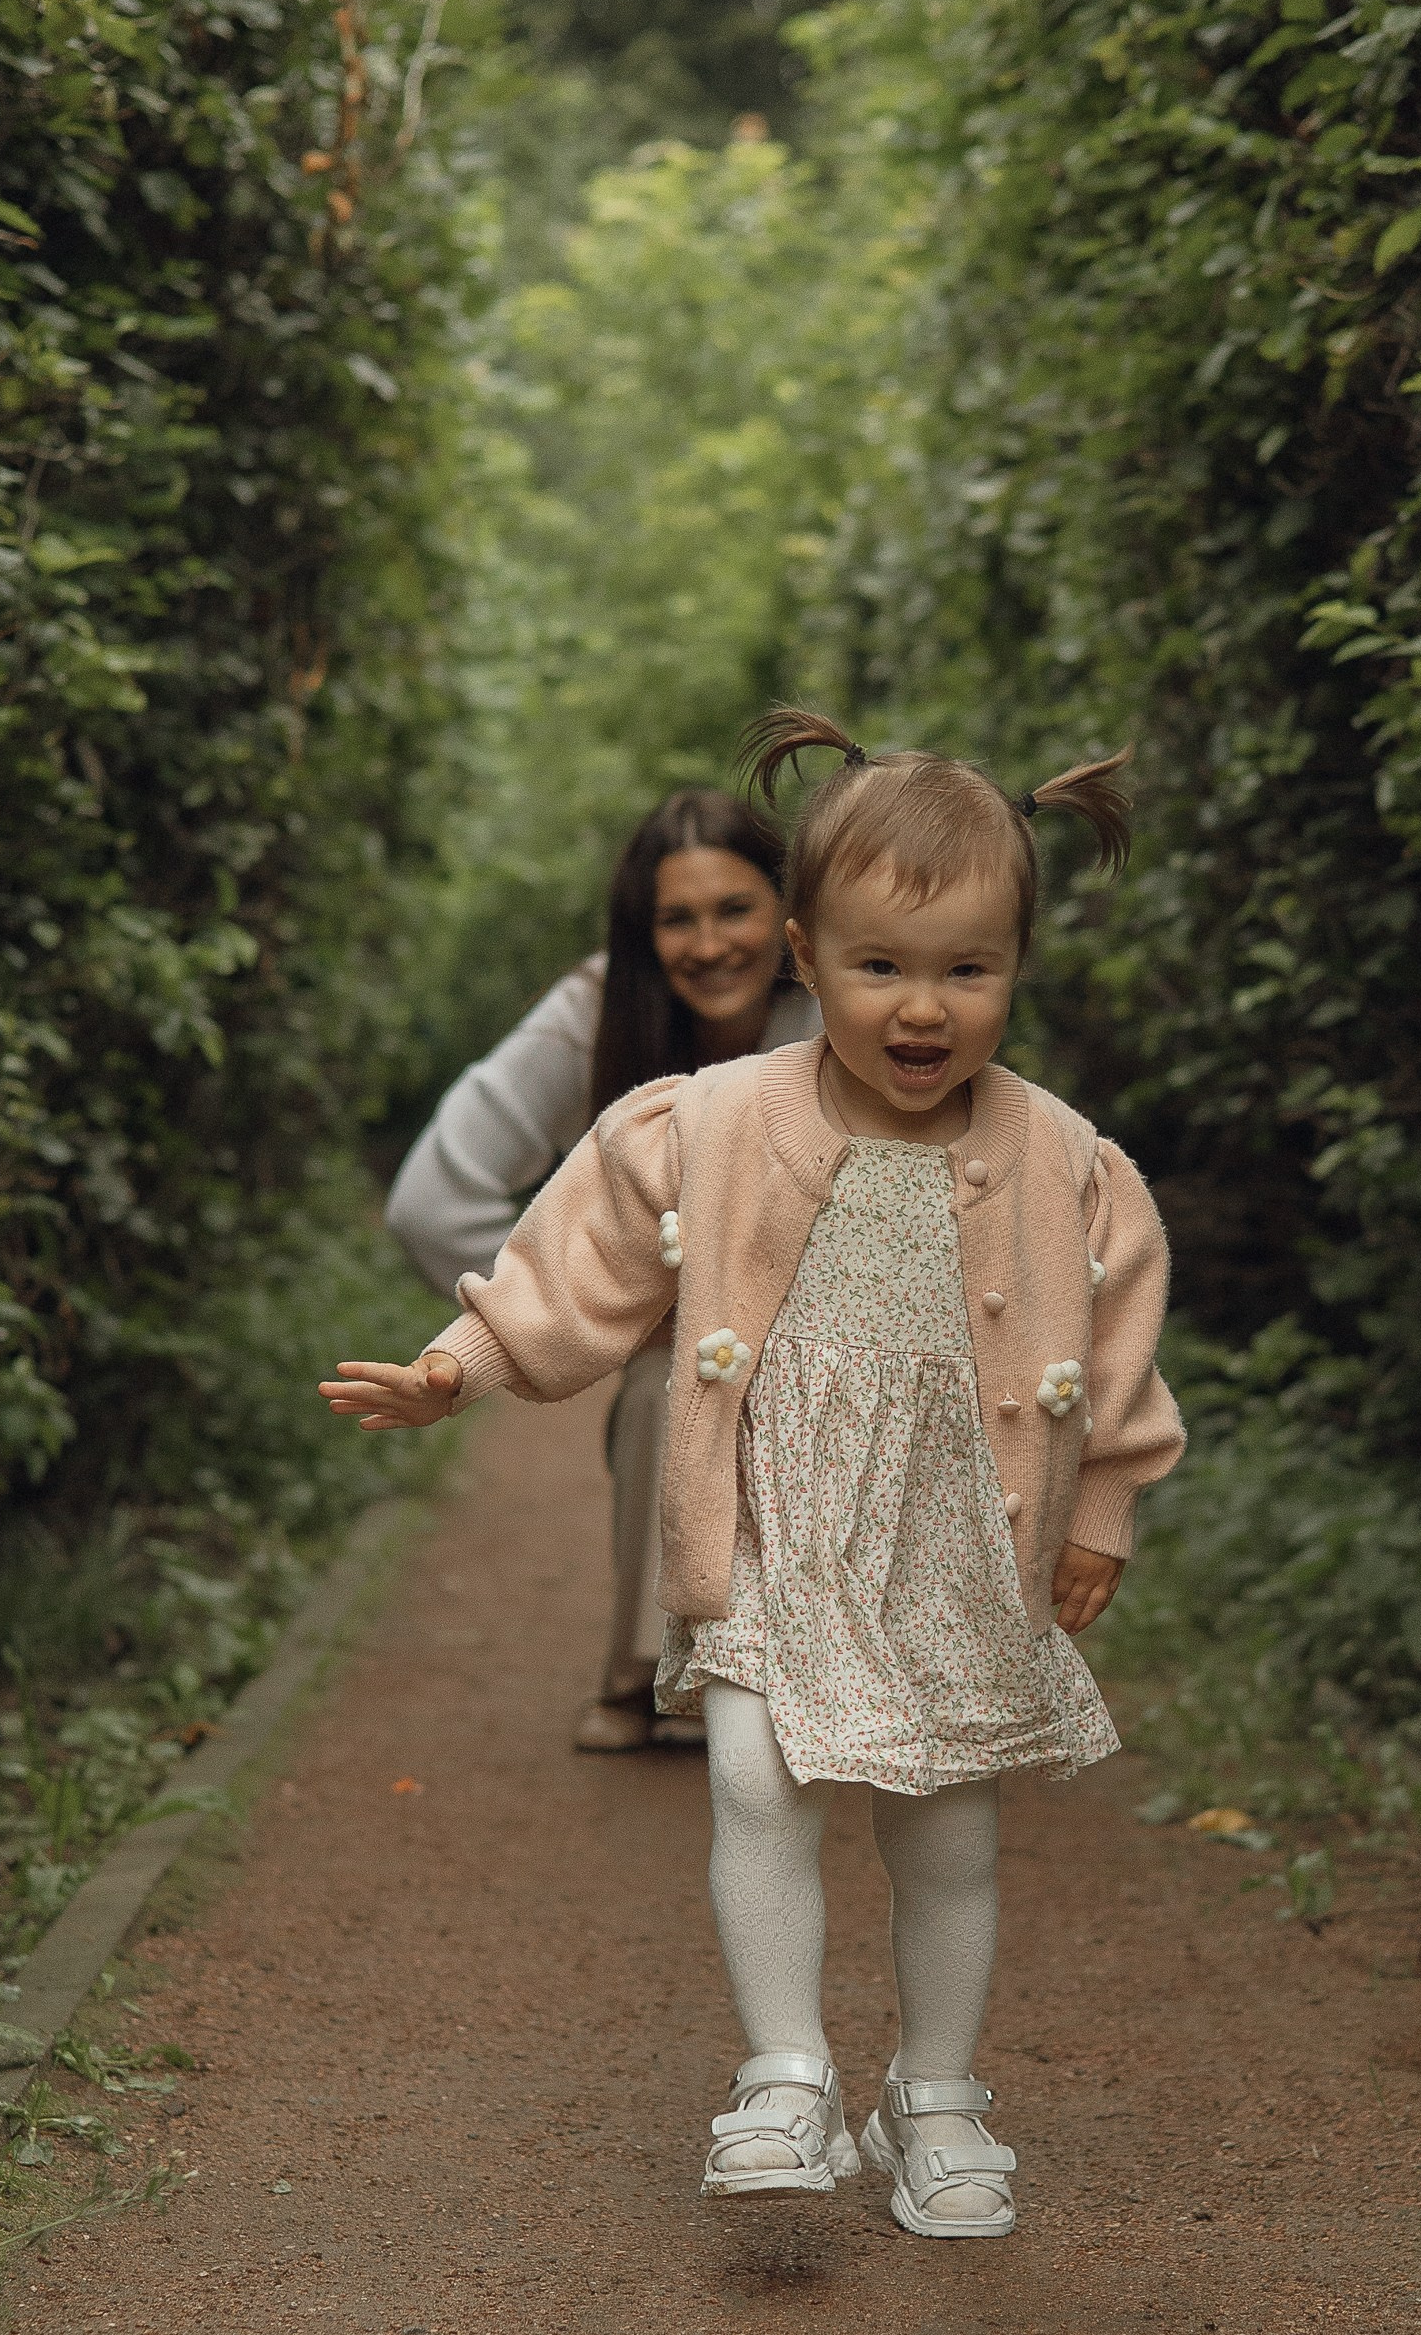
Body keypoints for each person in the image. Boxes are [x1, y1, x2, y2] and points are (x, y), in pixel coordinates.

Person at [325, 707, 1184, 2241]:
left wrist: (1103, 1512)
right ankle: (786, 2073)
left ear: (1014, 970)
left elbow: (1117, 1354)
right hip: (779, 1522)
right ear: (807, 954)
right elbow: (575, 1251)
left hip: (956, 1547)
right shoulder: (714, 1123)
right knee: (751, 1773)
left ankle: (934, 2095)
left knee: (948, 1824)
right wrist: (460, 1364)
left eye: (967, 971)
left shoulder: (1065, 1163)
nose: (923, 1010)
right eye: (879, 968)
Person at [383, 789, 818, 1752]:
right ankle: (644, 1681)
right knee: (668, 1386)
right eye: (677, 919)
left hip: (845, 1320)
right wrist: (584, 1310)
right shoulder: (595, 1009)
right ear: (641, 932)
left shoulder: (840, 1001)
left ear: (787, 918)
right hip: (693, 1333)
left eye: (735, 909)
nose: (709, 944)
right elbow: (430, 1204)